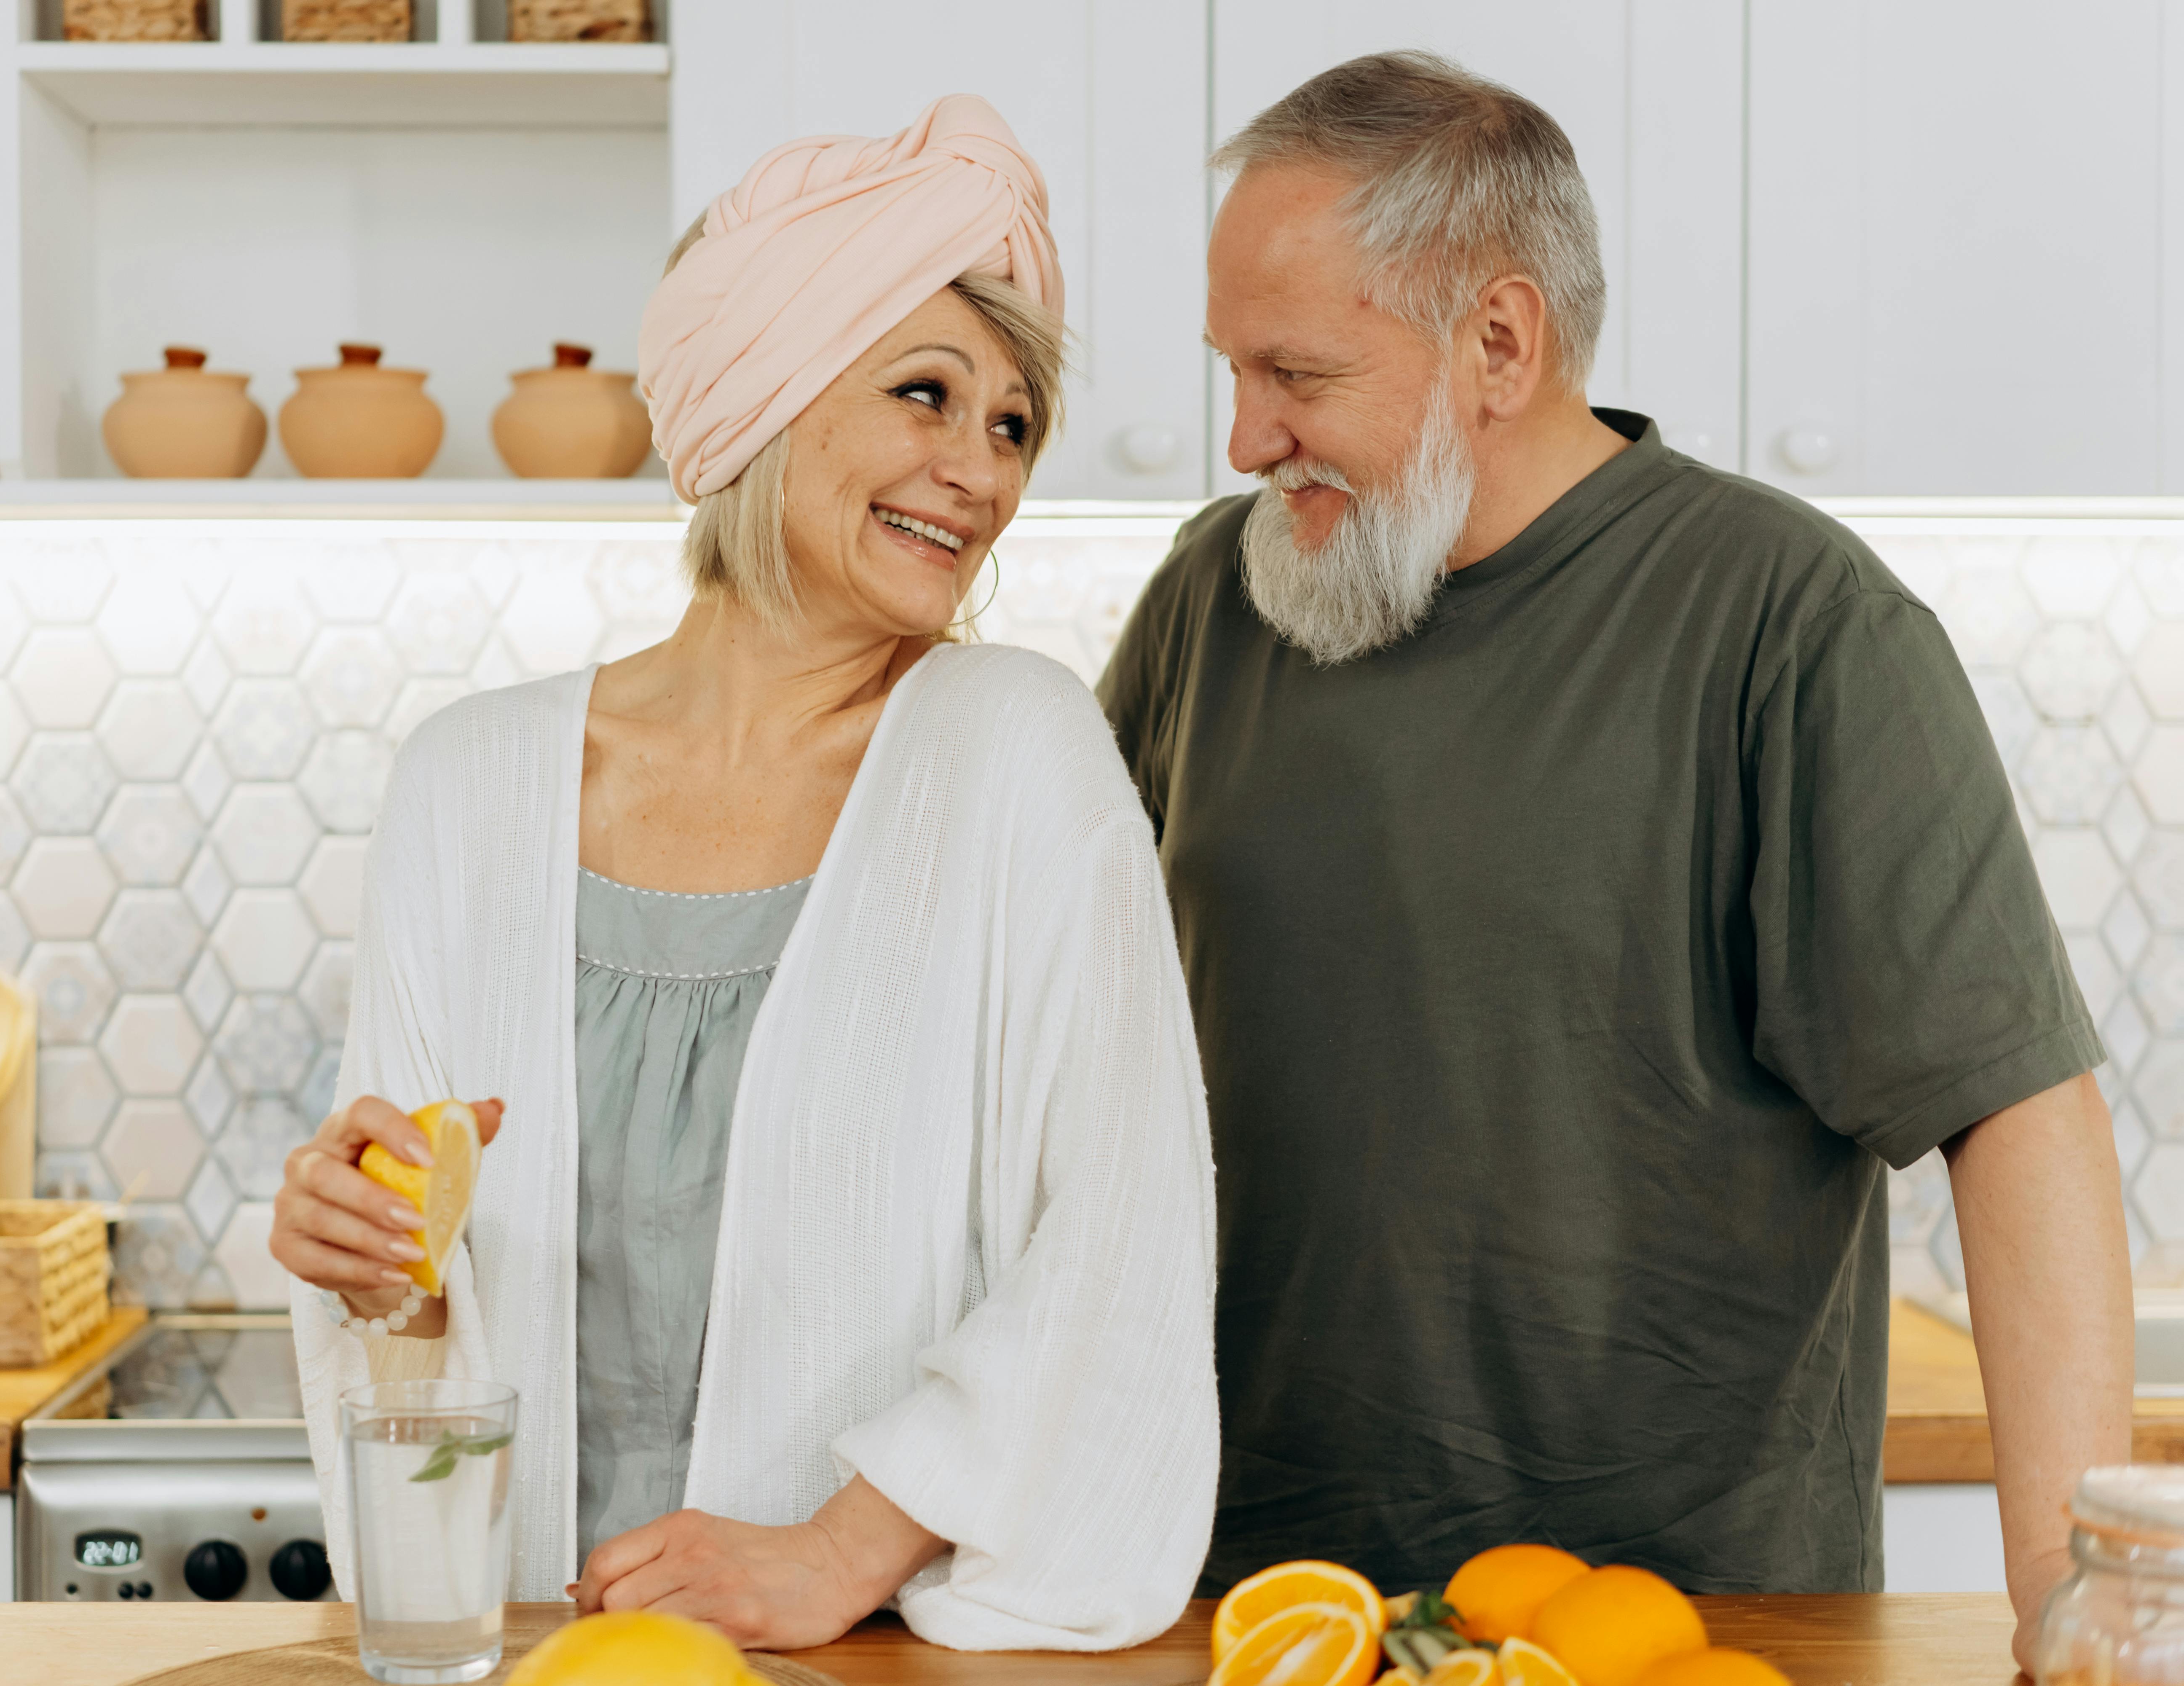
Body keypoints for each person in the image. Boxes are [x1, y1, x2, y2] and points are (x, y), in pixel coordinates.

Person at [1097, 51, 2130, 1674]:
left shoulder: (1791, 626)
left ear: (1499, 343)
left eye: (1295, 373)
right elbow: (1050, 1046)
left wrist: (2081, 1617)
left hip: (1675, 1628)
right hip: (1246, 1609)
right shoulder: (1216, 601)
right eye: (1230, 369)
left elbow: (2018, 1120)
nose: (1241, 436)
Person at [273, 95, 1218, 1654]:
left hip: (863, 1651)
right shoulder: (470, 785)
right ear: (763, 399)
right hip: (535, 1648)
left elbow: (1122, 1230)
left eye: (1011, 426)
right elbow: (428, 1347)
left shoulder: (1016, 756)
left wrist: (832, 1555)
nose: (978, 472)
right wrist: (373, 1266)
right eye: (926, 393)